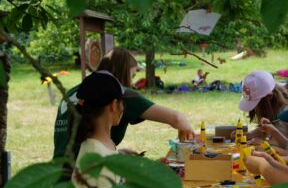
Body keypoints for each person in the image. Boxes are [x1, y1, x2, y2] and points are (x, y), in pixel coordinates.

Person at [53, 47, 195, 163]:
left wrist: (116, 154)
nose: (132, 84)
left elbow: (78, 146)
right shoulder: (116, 94)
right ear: (114, 105)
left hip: (61, 171)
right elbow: (176, 118)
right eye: (132, 76)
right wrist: (189, 133)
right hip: (88, 174)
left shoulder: (76, 91)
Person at [70, 71, 126, 188]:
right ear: (114, 105)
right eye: (122, 102)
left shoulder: (97, 144)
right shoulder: (99, 159)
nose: (123, 107)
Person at [238, 71, 288, 147]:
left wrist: (265, 143)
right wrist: (250, 135)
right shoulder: (272, 107)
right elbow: (269, 129)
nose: (256, 107)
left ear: (269, 97)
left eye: (257, 103)